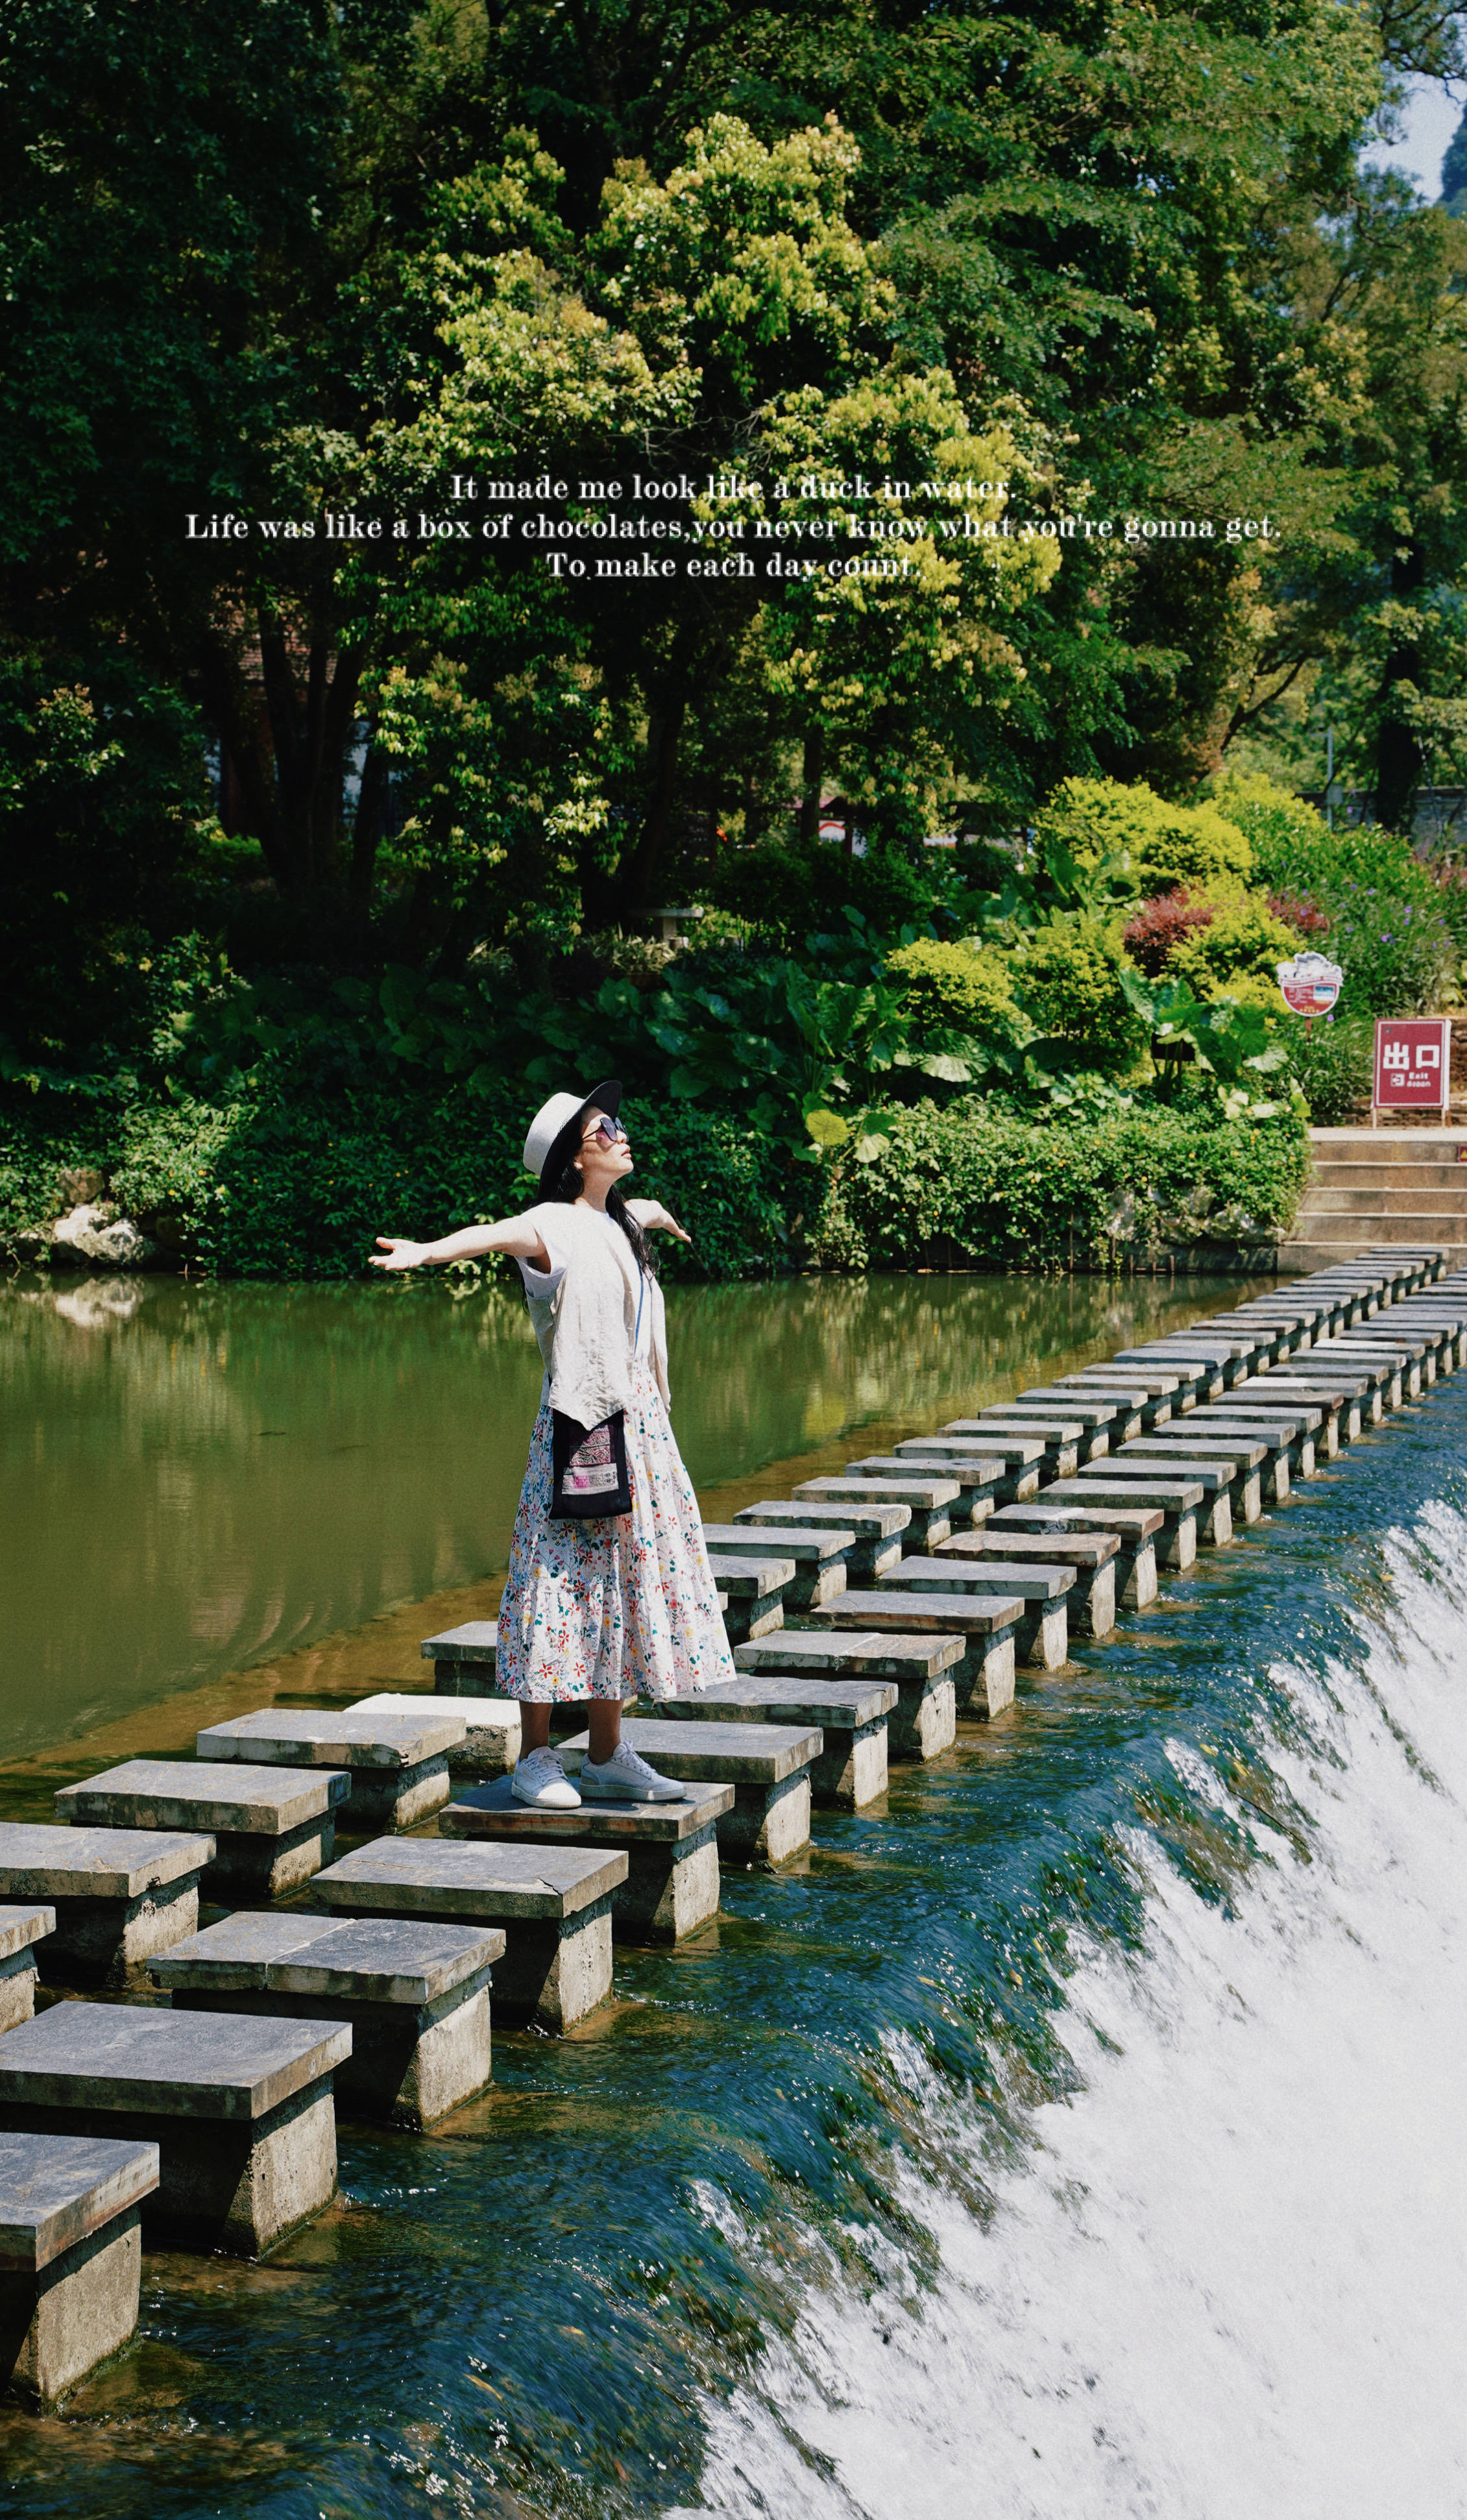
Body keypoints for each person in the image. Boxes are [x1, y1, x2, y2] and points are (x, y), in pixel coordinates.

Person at [370, 1079, 734, 1806]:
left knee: (623, 1579)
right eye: (604, 1129)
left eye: (618, 1124)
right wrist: (428, 1251)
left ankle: (605, 1753)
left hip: (641, 1428)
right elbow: (494, 1234)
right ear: (574, 1157)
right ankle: (535, 1757)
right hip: (582, 1425)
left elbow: (641, 1211)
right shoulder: (552, 1223)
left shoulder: (621, 1221)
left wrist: (656, 1219)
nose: (621, 1134)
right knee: (559, 1579)